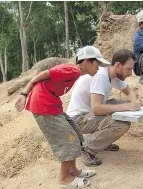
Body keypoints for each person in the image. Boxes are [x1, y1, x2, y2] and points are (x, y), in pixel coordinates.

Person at [14, 46, 111, 188]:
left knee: (75, 134)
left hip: (52, 105)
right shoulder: (73, 70)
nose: (99, 69)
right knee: (67, 140)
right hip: (44, 106)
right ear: (87, 62)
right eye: (98, 64)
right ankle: (64, 178)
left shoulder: (75, 73)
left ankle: (73, 171)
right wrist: (24, 94)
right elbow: (40, 75)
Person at [66, 49, 142, 166]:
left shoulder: (113, 75)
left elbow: (129, 91)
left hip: (88, 113)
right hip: (77, 119)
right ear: (118, 65)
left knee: (122, 105)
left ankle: (102, 141)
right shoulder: (100, 76)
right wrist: (127, 106)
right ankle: (87, 148)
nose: (130, 73)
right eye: (128, 69)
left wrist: (136, 103)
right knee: (122, 124)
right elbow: (97, 109)